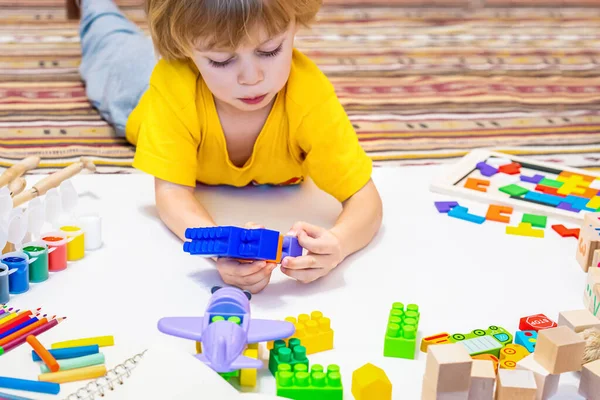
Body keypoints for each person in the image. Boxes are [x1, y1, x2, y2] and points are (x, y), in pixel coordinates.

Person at [74, 0, 383, 293]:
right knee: (108, 37)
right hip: (137, 93)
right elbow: (171, 195)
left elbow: (364, 198)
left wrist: (339, 243)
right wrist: (219, 248)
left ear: (294, 27)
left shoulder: (309, 97)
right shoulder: (172, 86)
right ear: (186, 51)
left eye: (270, 50)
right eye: (221, 60)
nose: (252, 78)